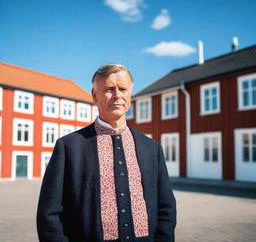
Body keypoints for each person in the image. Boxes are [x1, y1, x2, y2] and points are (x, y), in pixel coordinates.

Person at [37, 64, 176, 242]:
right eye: (109, 89)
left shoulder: (152, 148)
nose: (117, 96)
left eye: (123, 89)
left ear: (130, 94)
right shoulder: (69, 147)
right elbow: (48, 214)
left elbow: (166, 208)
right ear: (95, 96)